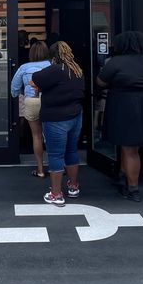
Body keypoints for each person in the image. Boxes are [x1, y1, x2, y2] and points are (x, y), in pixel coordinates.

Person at [96, 30, 143, 202]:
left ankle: (133, 188)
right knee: (132, 145)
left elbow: (100, 81)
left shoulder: (116, 62)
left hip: (124, 104)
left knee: (129, 148)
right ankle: (122, 174)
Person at [30, 41, 85, 206]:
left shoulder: (55, 69)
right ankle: (73, 187)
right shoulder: (77, 70)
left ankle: (56, 194)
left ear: (53, 56)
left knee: (55, 155)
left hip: (56, 119)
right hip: (75, 116)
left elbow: (35, 80)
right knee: (71, 152)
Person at [10, 41, 51, 177]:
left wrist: (22, 92)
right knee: (52, 135)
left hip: (32, 101)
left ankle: (40, 170)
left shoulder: (24, 67)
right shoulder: (52, 66)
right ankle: (55, 167)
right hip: (49, 102)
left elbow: (14, 89)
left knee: (37, 136)